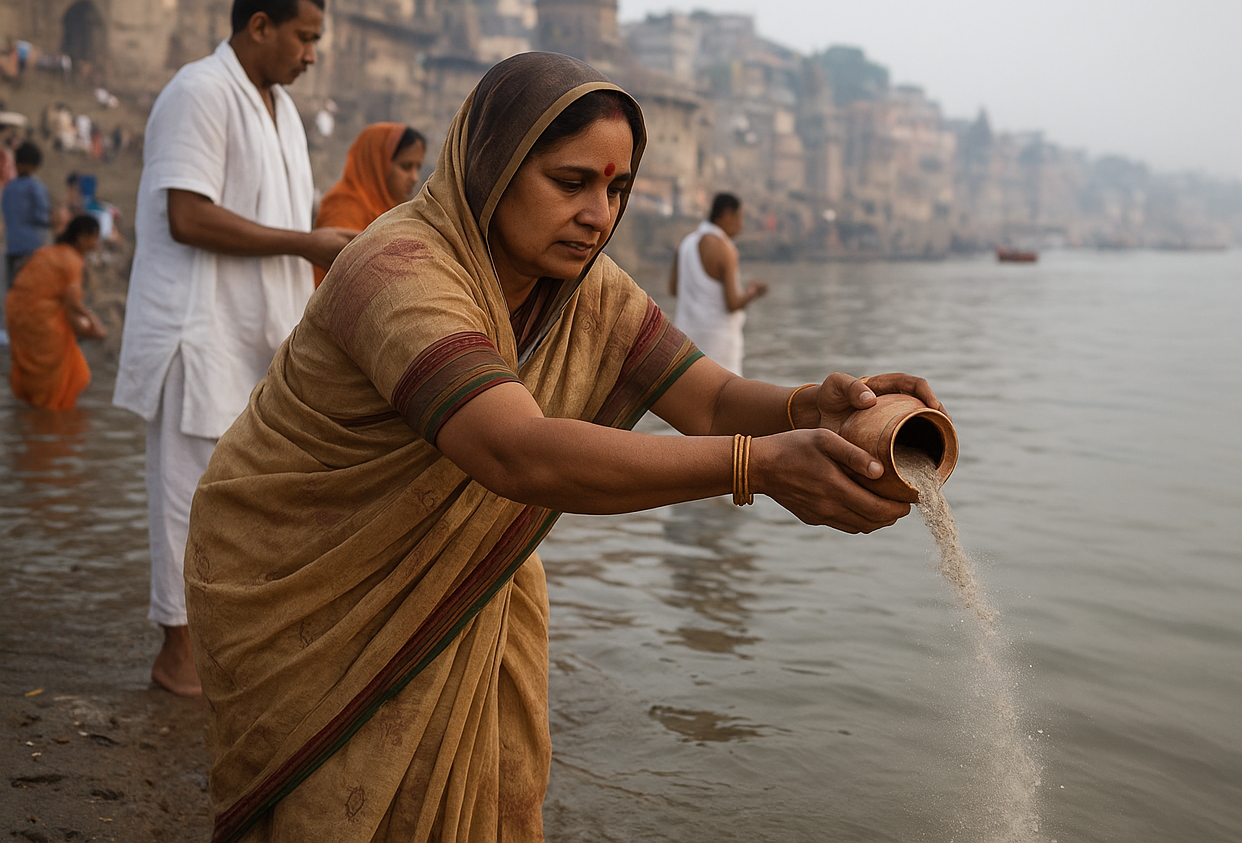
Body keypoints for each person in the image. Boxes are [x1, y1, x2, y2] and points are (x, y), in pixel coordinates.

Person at [185, 52, 940, 842]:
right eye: (571, 183)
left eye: (616, 189)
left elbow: (711, 399)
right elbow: (517, 452)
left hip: (454, 576)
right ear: (491, 169)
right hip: (298, 574)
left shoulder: (590, 290)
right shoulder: (396, 268)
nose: (599, 216)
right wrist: (760, 465)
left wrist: (809, 408)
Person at [112, 0, 356, 699]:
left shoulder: (280, 110)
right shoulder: (198, 92)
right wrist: (308, 244)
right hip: (199, 329)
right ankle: (175, 654)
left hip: (257, 332)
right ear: (259, 26)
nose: (311, 54)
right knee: (187, 496)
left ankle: (231, 639)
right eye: (304, 37)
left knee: (251, 498)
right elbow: (187, 215)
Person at [5, 214, 106, 409]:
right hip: (39, 320)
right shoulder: (72, 260)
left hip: (15, 313)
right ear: (82, 237)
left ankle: (34, 419)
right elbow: (73, 304)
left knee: (34, 368)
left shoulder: (47, 252)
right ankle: (50, 420)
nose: (96, 243)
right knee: (53, 374)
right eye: (94, 237)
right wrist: (93, 321)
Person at [311, 121, 426, 284]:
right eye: (406, 167)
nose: (414, 178)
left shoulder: (395, 212)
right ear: (377, 163)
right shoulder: (344, 207)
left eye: (417, 168)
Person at [669, 192, 768, 375]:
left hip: (685, 340)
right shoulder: (725, 249)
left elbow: (674, 289)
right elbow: (732, 304)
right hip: (719, 342)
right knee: (724, 397)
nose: (741, 225)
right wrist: (752, 293)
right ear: (727, 214)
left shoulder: (685, 243)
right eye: (740, 217)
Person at [3, 141, 51, 284]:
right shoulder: (35, 186)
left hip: (12, 247)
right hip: (32, 248)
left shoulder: (9, 188)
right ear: (33, 166)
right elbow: (42, 216)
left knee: (15, 290)